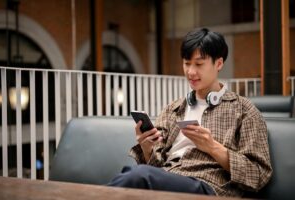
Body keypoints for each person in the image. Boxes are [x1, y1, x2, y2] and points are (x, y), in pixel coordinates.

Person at [107, 28, 273, 197]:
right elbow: (155, 167)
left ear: (219, 63)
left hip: (209, 187)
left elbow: (258, 175)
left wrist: (213, 147)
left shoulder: (245, 111)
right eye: (187, 63)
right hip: (168, 179)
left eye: (199, 64)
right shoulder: (173, 109)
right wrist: (147, 148)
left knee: (138, 176)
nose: (191, 72)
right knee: (135, 175)